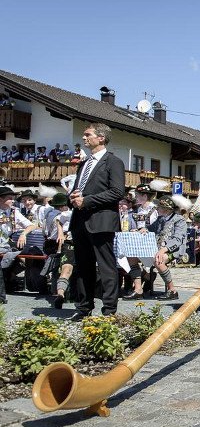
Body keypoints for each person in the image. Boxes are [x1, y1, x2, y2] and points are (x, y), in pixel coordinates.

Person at [67, 123, 125, 320]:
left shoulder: (113, 162)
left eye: (87, 135)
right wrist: (72, 198)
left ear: (101, 138)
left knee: (106, 265)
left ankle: (109, 310)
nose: (84, 138)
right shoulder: (84, 163)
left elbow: (117, 192)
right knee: (83, 266)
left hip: (101, 220)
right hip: (80, 220)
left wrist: (87, 201)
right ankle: (83, 307)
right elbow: (77, 189)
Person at [0, 186, 34, 303]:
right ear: (1, 199)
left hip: (6, 245)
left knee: (28, 256)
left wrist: (23, 234)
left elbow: (31, 225)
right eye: (10, 198)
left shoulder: (14, 212)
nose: (13, 200)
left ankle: (9, 282)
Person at [41, 192, 73, 309]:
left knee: (65, 269)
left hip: (62, 243)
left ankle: (60, 293)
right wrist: (60, 233)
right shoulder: (66, 213)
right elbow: (59, 221)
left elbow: (45, 230)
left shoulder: (50, 214)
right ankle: (63, 295)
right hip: (68, 242)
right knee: (67, 269)